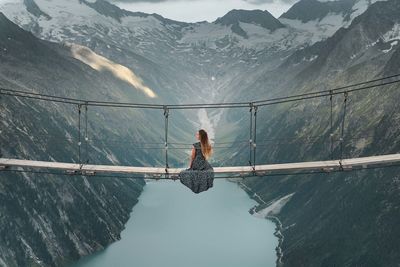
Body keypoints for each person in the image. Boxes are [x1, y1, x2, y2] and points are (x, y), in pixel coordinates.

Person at [179, 129, 214, 194]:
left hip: (196, 164)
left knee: (184, 173)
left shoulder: (195, 145)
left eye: (197, 134)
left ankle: (195, 185)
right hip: (203, 164)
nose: (196, 135)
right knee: (208, 170)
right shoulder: (207, 145)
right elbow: (208, 154)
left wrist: (190, 166)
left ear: (200, 136)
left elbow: (192, 157)